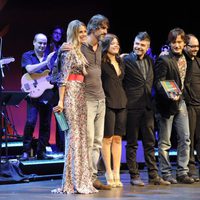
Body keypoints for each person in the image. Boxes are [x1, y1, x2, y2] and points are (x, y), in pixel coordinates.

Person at [58, 14, 110, 190]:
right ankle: (82, 177)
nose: (105, 31)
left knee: (96, 141)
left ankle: (92, 176)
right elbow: (61, 69)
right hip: (82, 98)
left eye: (106, 28)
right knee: (84, 140)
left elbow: (113, 46)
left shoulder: (101, 46)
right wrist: (58, 50)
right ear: (93, 28)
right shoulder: (74, 48)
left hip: (99, 97)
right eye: (102, 28)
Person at [52, 19, 97, 194]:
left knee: (81, 137)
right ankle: (73, 181)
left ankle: (80, 179)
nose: (84, 34)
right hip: (70, 94)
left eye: (85, 31)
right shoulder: (68, 50)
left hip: (80, 94)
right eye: (81, 32)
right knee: (74, 138)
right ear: (73, 33)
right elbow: (63, 77)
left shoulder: (79, 50)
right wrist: (61, 101)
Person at [123, 31, 170, 186]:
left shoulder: (151, 61)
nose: (139, 47)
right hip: (132, 107)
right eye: (137, 44)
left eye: (142, 45)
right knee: (132, 144)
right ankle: (134, 175)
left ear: (148, 46)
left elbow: (156, 82)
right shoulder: (126, 60)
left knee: (150, 143)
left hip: (148, 107)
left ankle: (153, 175)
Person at [154, 27, 194, 184]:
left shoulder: (186, 58)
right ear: (169, 43)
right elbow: (158, 83)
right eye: (173, 42)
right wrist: (169, 95)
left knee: (185, 138)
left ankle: (182, 172)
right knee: (165, 142)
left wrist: (180, 96)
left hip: (181, 102)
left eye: (179, 42)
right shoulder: (164, 59)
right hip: (166, 104)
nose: (176, 45)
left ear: (184, 43)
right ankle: (165, 172)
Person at [20, 33, 55, 161]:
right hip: (32, 94)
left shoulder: (50, 57)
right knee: (30, 122)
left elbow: (53, 75)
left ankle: (41, 152)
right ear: (34, 42)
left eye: (44, 43)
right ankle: (25, 151)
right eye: (40, 43)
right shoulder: (27, 55)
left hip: (46, 94)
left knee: (45, 124)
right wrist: (46, 62)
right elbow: (29, 70)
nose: (42, 45)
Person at [101, 33, 127, 187]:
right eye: (112, 44)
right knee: (107, 138)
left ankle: (117, 172)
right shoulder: (101, 62)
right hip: (107, 102)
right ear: (106, 46)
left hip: (122, 102)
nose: (116, 46)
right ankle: (108, 171)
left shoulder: (120, 61)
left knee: (118, 139)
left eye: (117, 43)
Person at [46, 25, 65, 152]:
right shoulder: (47, 48)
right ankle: (45, 147)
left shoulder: (63, 48)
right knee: (46, 119)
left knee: (60, 118)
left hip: (59, 87)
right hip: (47, 88)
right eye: (55, 32)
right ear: (52, 34)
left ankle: (62, 147)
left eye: (60, 33)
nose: (57, 35)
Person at [184, 34, 200, 182]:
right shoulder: (183, 62)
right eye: (192, 46)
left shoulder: (198, 61)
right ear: (185, 46)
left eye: (197, 46)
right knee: (189, 139)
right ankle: (191, 167)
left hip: (199, 105)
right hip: (189, 106)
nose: (195, 49)